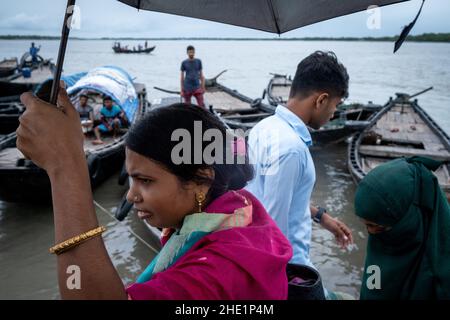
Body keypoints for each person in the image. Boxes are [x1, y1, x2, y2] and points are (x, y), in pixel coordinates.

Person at [16, 86, 292, 299]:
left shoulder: (219, 272)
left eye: (145, 180)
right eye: (132, 179)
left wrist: (65, 167)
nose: (130, 196)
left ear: (201, 181)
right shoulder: (240, 205)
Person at [245, 51, 353, 296]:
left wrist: (321, 217)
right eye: (336, 105)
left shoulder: (263, 128)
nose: (333, 113)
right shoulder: (292, 149)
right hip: (291, 274)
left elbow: (262, 196)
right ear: (321, 100)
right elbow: (272, 226)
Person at [355, 156, 450, 300]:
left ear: (408, 219)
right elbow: (373, 286)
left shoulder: (441, 271)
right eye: (366, 225)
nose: (371, 232)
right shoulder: (381, 242)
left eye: (375, 226)